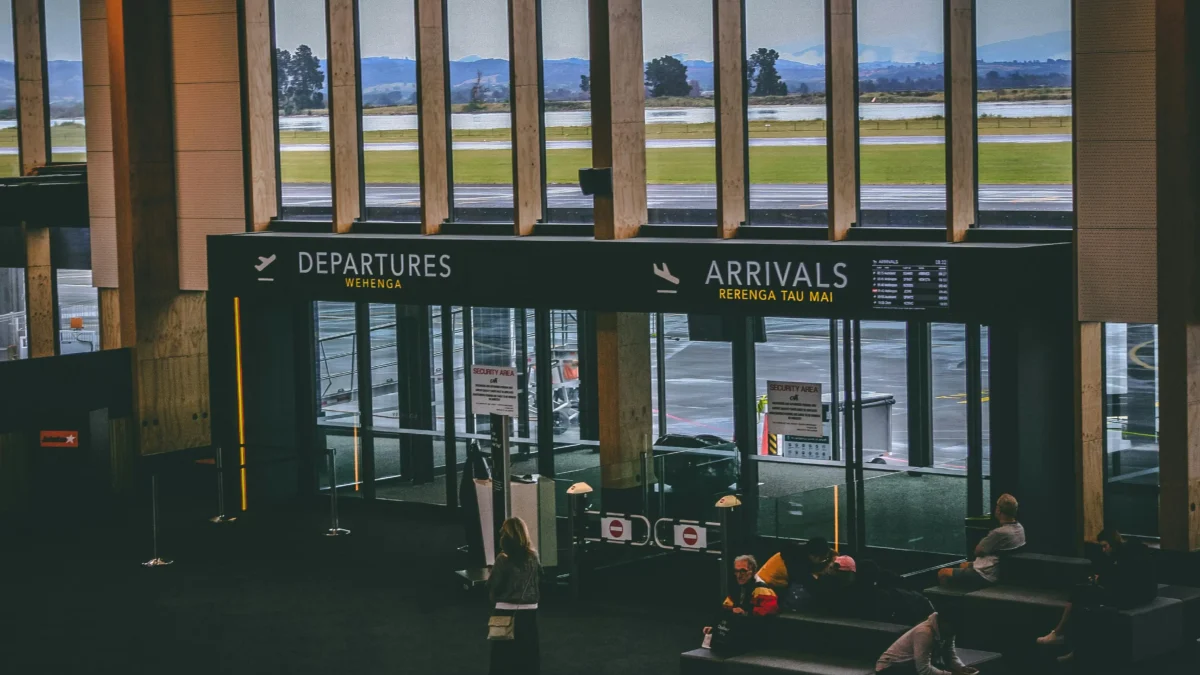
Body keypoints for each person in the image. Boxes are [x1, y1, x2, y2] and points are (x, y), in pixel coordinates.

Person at [1035, 528, 1156, 662]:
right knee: (1083, 596)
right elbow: (1121, 578)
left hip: (1133, 597)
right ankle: (1072, 646)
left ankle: (1060, 635)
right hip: (1138, 593)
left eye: (1105, 546)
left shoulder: (1126, 555)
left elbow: (1125, 581)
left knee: (1081, 595)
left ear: (1112, 543)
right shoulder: (1127, 552)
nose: (1103, 550)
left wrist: (1101, 580)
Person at [938, 493, 1025, 590]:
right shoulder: (1019, 528)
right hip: (997, 568)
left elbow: (977, 551)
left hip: (987, 574)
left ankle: (949, 596)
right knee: (962, 565)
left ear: (998, 510)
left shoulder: (998, 533)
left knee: (943, 572)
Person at [488, 517, 541, 674]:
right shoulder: (533, 557)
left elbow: (494, 586)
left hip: (505, 610)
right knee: (527, 653)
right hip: (530, 610)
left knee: (502, 655)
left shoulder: (502, 559)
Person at [703, 555, 780, 656]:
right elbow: (726, 609)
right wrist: (713, 626)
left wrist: (745, 613)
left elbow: (769, 612)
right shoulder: (738, 588)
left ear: (752, 571)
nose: (739, 575)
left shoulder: (762, 589)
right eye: (736, 571)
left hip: (756, 635)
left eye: (743, 571)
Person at [876, 609, 978, 675]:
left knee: (941, 668)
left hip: (912, 665)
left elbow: (950, 655)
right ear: (943, 622)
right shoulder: (924, 632)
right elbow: (923, 670)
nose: (954, 631)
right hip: (890, 668)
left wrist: (962, 668)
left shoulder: (949, 631)